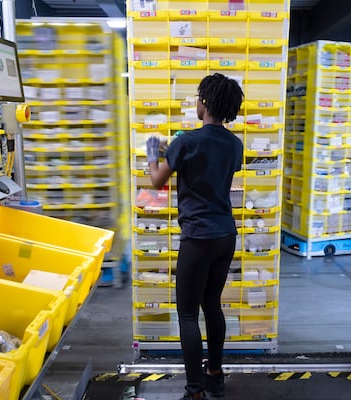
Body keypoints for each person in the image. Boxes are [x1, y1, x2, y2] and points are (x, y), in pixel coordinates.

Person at [146, 73, 244, 400]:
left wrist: (153, 152)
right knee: (211, 304)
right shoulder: (235, 144)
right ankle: (215, 375)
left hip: (198, 237)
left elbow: (157, 181)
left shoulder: (186, 141)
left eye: (199, 97)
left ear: (206, 103)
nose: (196, 102)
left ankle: (195, 392)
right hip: (225, 235)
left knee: (187, 314)